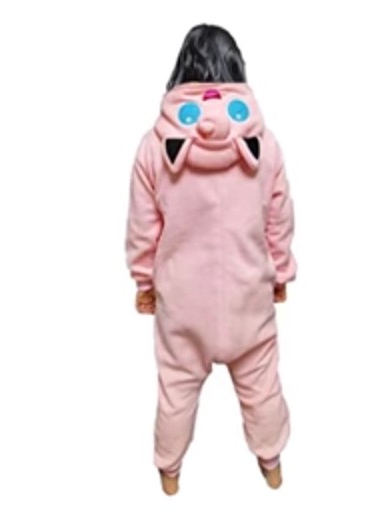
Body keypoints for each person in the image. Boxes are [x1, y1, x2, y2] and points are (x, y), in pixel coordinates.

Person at [125, 23, 297, 495]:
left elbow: (143, 225)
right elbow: (279, 217)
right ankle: (272, 464)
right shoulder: (264, 142)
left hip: (182, 302)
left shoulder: (155, 145)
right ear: (236, 66)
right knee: (261, 385)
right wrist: (280, 272)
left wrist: (144, 282)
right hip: (248, 295)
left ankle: (169, 473)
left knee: (176, 388)